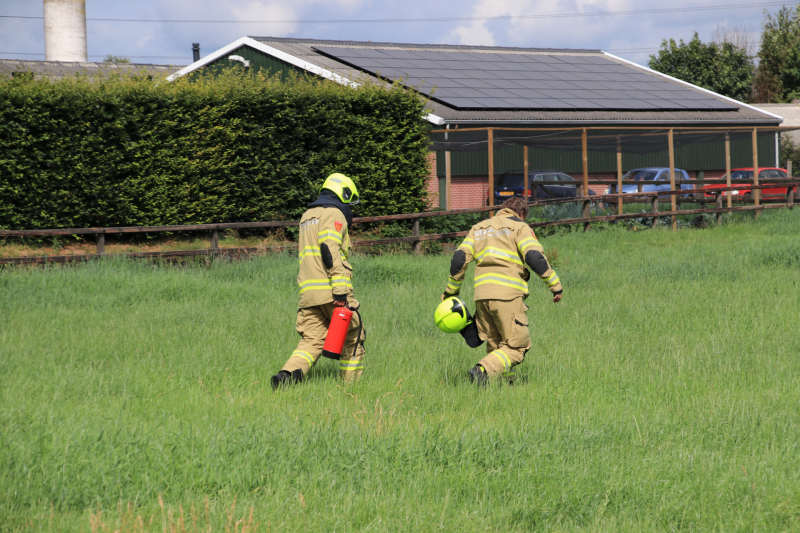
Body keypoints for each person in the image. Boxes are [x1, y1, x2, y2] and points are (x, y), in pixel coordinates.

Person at [442, 196, 562, 385]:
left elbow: (458, 259)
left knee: (498, 346)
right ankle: (481, 371)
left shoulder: (478, 228)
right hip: (507, 296)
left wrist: (451, 293)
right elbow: (534, 257)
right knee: (517, 347)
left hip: (482, 297)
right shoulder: (520, 227)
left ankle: (506, 385)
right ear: (521, 213)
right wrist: (555, 285)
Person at [271, 173, 366, 389]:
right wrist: (340, 291)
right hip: (332, 290)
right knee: (353, 336)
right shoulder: (334, 213)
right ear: (343, 193)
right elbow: (328, 249)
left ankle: (286, 376)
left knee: (312, 340)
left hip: (309, 294)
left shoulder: (306, 216)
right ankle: (351, 390)